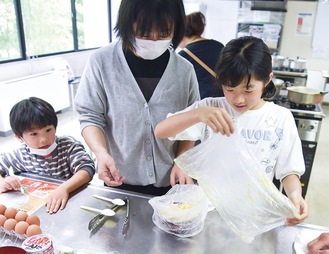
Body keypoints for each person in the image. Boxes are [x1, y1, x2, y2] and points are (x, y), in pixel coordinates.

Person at [155, 36, 308, 225]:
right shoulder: (211, 108)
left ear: (268, 79)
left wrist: (295, 195)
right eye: (230, 89)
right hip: (210, 212)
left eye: (248, 90)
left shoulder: (281, 118)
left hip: (256, 214)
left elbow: (289, 171)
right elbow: (160, 131)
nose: (239, 99)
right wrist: (198, 114)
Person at [74, 0, 200, 196]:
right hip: (119, 177)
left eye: (164, 33)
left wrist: (182, 161)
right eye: (144, 33)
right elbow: (90, 116)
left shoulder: (184, 71)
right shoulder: (102, 63)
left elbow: (190, 125)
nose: (154, 40)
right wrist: (101, 153)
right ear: (127, 23)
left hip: (171, 180)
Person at [0, 97, 96, 214]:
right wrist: (3, 181)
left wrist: (64, 188)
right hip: (39, 209)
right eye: (34, 134)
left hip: (67, 204)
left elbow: (86, 169)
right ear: (19, 137)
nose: (44, 140)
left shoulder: (68, 145)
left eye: (48, 130)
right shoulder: (21, 154)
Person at [178, 11, 224, 98]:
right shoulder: (218, 45)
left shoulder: (182, 56)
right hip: (223, 99)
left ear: (181, 33)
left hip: (202, 102)